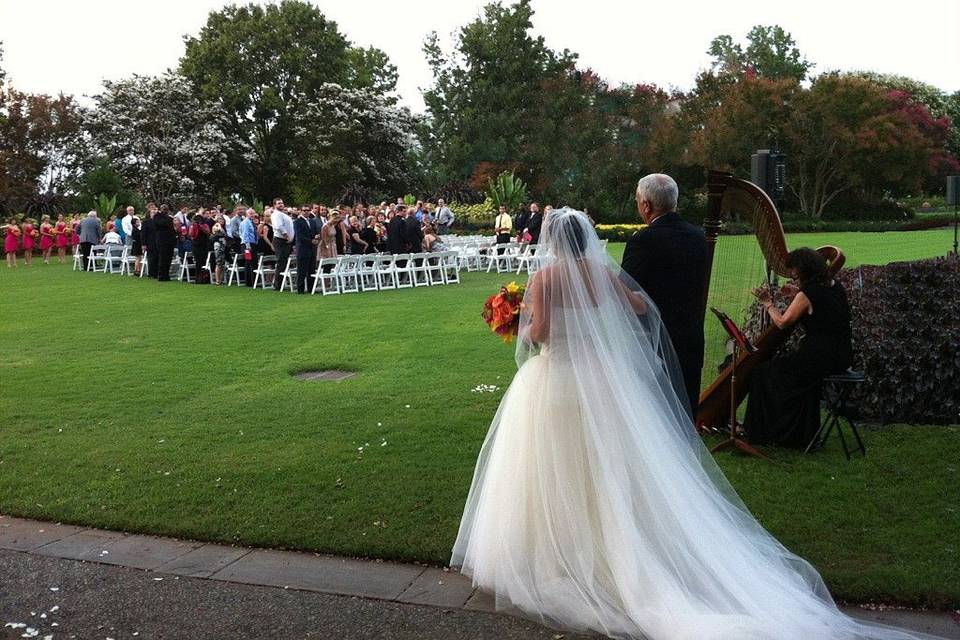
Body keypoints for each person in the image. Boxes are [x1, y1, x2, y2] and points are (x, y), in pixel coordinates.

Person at [450, 207, 943, 640]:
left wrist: (518, 319)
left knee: (551, 462)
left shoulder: (544, 278)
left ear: (553, 242)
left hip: (556, 377)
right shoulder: (603, 274)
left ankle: (561, 554)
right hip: (599, 378)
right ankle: (611, 544)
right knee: (604, 462)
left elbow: (540, 334)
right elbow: (642, 306)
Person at [743, 248, 854, 448]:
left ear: (803, 270)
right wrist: (797, 293)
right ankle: (798, 433)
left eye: (794, 270)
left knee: (761, 373)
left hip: (817, 359)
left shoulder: (808, 293)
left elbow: (783, 322)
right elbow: (822, 307)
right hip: (841, 356)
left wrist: (767, 303)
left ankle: (767, 433)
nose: (792, 274)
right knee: (788, 376)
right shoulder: (835, 286)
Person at [620, 173, 708, 417]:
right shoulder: (698, 237)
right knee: (685, 409)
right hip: (690, 334)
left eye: (638, 201)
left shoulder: (644, 241)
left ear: (646, 205)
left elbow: (626, 287)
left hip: (654, 338)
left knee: (656, 415)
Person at [270, 199, 294, 291]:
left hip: (286, 241)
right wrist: (287, 236)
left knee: (284, 262)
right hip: (280, 240)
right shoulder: (276, 214)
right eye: (279, 203)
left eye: (282, 203)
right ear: (274, 205)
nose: (281, 204)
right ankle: (277, 284)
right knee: (281, 262)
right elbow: (278, 226)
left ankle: (282, 282)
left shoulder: (283, 214)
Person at [293, 210, 316, 294]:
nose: (306, 212)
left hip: (312, 248)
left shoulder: (312, 221)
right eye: (304, 210)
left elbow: (315, 232)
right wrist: (311, 241)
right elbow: (299, 236)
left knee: (311, 269)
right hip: (302, 248)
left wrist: (316, 237)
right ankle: (300, 289)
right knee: (302, 270)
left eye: (308, 210)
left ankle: (311, 289)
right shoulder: (297, 222)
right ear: (300, 211)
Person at [154, 204, 176, 281]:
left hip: (170, 240)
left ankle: (166, 274)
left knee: (169, 258)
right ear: (161, 209)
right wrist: (169, 218)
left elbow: (171, 228)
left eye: (166, 209)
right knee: (163, 258)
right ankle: (161, 275)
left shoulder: (168, 218)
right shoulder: (157, 217)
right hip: (162, 240)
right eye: (164, 209)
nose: (166, 211)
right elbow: (163, 223)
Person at [189, 213, 211, 284]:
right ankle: (198, 278)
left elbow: (208, 232)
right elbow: (191, 235)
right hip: (196, 245)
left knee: (204, 261)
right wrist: (194, 226)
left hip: (204, 245)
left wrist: (200, 226)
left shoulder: (205, 225)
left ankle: (204, 278)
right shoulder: (192, 226)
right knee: (198, 262)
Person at [240, 208, 258, 287]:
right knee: (249, 262)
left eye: (253, 213)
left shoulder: (251, 222)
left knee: (253, 262)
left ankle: (254, 281)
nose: (252, 215)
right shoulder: (245, 223)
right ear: (247, 214)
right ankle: (250, 282)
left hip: (252, 244)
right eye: (250, 213)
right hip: (247, 245)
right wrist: (247, 246)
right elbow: (245, 234)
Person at [141, 205, 158, 278]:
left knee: (158, 257)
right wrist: (143, 244)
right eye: (152, 213)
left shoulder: (159, 222)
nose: (154, 214)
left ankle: (157, 272)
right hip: (150, 242)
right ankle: (151, 273)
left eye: (155, 213)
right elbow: (143, 234)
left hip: (158, 242)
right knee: (151, 258)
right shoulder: (146, 222)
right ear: (150, 214)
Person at [210, 220, 227, 285]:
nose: (221, 221)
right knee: (219, 262)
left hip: (223, 245)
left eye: (222, 219)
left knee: (222, 263)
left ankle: (221, 279)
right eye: (220, 220)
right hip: (218, 245)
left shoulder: (223, 227)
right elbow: (221, 232)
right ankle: (217, 280)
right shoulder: (216, 226)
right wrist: (219, 225)